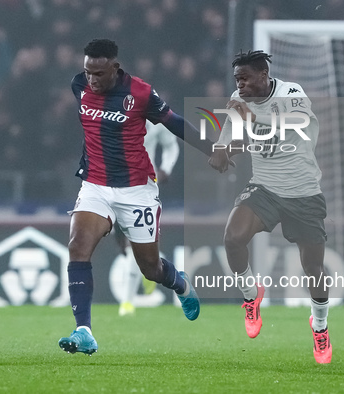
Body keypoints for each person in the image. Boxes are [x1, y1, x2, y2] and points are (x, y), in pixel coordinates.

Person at [58, 39, 215, 356]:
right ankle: (84, 330)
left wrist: (211, 149)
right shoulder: (79, 86)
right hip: (95, 184)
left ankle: (180, 284)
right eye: (88, 72)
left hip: (136, 191)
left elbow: (174, 123)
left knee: (150, 269)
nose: (92, 79)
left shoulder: (140, 93)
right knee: (77, 246)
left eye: (99, 73)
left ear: (115, 68)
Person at [208, 50, 332, 364]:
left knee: (313, 269)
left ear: (264, 75)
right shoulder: (240, 99)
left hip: (303, 190)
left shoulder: (291, 93)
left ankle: (319, 326)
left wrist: (255, 118)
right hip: (265, 187)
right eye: (237, 79)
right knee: (232, 238)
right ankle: (251, 296)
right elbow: (230, 136)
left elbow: (298, 123)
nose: (240, 85)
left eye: (245, 78)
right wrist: (222, 152)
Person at [117, 121, 180, 316]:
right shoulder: (107, 108)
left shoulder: (155, 116)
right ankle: (149, 267)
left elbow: (171, 145)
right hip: (106, 185)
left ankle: (127, 303)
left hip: (141, 188)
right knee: (121, 247)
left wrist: (166, 168)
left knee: (133, 244)